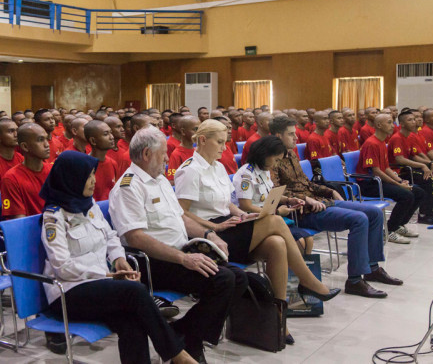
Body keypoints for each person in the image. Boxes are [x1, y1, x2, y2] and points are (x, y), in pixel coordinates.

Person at [176, 121, 339, 344]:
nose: (224, 148)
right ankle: (308, 281)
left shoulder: (218, 167)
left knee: (276, 244)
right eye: (220, 142)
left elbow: (227, 205)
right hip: (209, 236)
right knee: (275, 221)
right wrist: (214, 227)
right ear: (203, 140)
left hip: (230, 225)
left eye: (226, 142)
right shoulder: (190, 170)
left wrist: (242, 216)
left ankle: (279, 319)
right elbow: (181, 213)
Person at [39, 151, 195, 364]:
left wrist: (118, 259)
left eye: (94, 174)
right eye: (88, 176)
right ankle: (178, 355)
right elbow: (62, 267)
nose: (94, 180)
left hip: (99, 286)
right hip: (68, 292)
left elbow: (111, 236)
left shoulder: (89, 205)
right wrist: (107, 274)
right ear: (71, 178)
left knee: (132, 321)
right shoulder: (53, 217)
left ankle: (175, 355)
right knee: (135, 292)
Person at [109, 126, 248, 362]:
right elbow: (135, 238)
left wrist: (208, 234)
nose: (167, 158)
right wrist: (184, 258)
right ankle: (188, 342)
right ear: (146, 154)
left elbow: (181, 217)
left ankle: (182, 334)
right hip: (154, 263)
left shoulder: (160, 180)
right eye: (163, 153)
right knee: (223, 280)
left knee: (240, 278)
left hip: (180, 253)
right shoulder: (128, 187)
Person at [269, 116, 401, 298]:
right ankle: (355, 280)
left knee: (374, 213)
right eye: (291, 134)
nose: (296, 138)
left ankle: (372, 268)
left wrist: (329, 191)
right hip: (304, 211)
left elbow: (305, 183)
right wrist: (306, 200)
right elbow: (275, 193)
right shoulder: (271, 159)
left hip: (319, 200)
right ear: (277, 135)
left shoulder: (291, 153)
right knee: (359, 219)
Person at [357, 114, 425, 243]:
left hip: (379, 181)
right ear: (379, 125)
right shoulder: (372, 143)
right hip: (368, 184)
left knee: (418, 192)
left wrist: (400, 180)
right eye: (389, 122)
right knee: (406, 195)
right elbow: (376, 171)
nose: (392, 125)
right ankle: (389, 230)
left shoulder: (382, 142)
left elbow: (387, 168)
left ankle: (398, 225)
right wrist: (398, 185)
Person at [389, 110, 433, 224]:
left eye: (414, 119)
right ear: (402, 124)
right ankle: (425, 214)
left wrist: (430, 164)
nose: (414, 122)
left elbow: (415, 155)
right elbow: (399, 159)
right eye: (410, 120)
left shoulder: (410, 136)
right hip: (399, 170)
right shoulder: (397, 137)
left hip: (408, 167)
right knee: (430, 178)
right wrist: (424, 165)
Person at [1, 123, 53, 219]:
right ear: (25, 147)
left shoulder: (53, 171)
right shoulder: (11, 178)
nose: (47, 145)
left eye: (46, 139)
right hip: (32, 231)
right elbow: (19, 222)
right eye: (40, 140)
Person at [85, 120, 118, 201]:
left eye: (111, 132)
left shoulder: (112, 163)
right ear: (93, 141)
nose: (111, 137)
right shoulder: (85, 166)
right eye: (106, 134)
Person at [166, 116, 199, 182]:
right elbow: (172, 180)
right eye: (195, 129)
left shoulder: (197, 151)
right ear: (183, 131)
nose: (198, 133)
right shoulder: (177, 154)